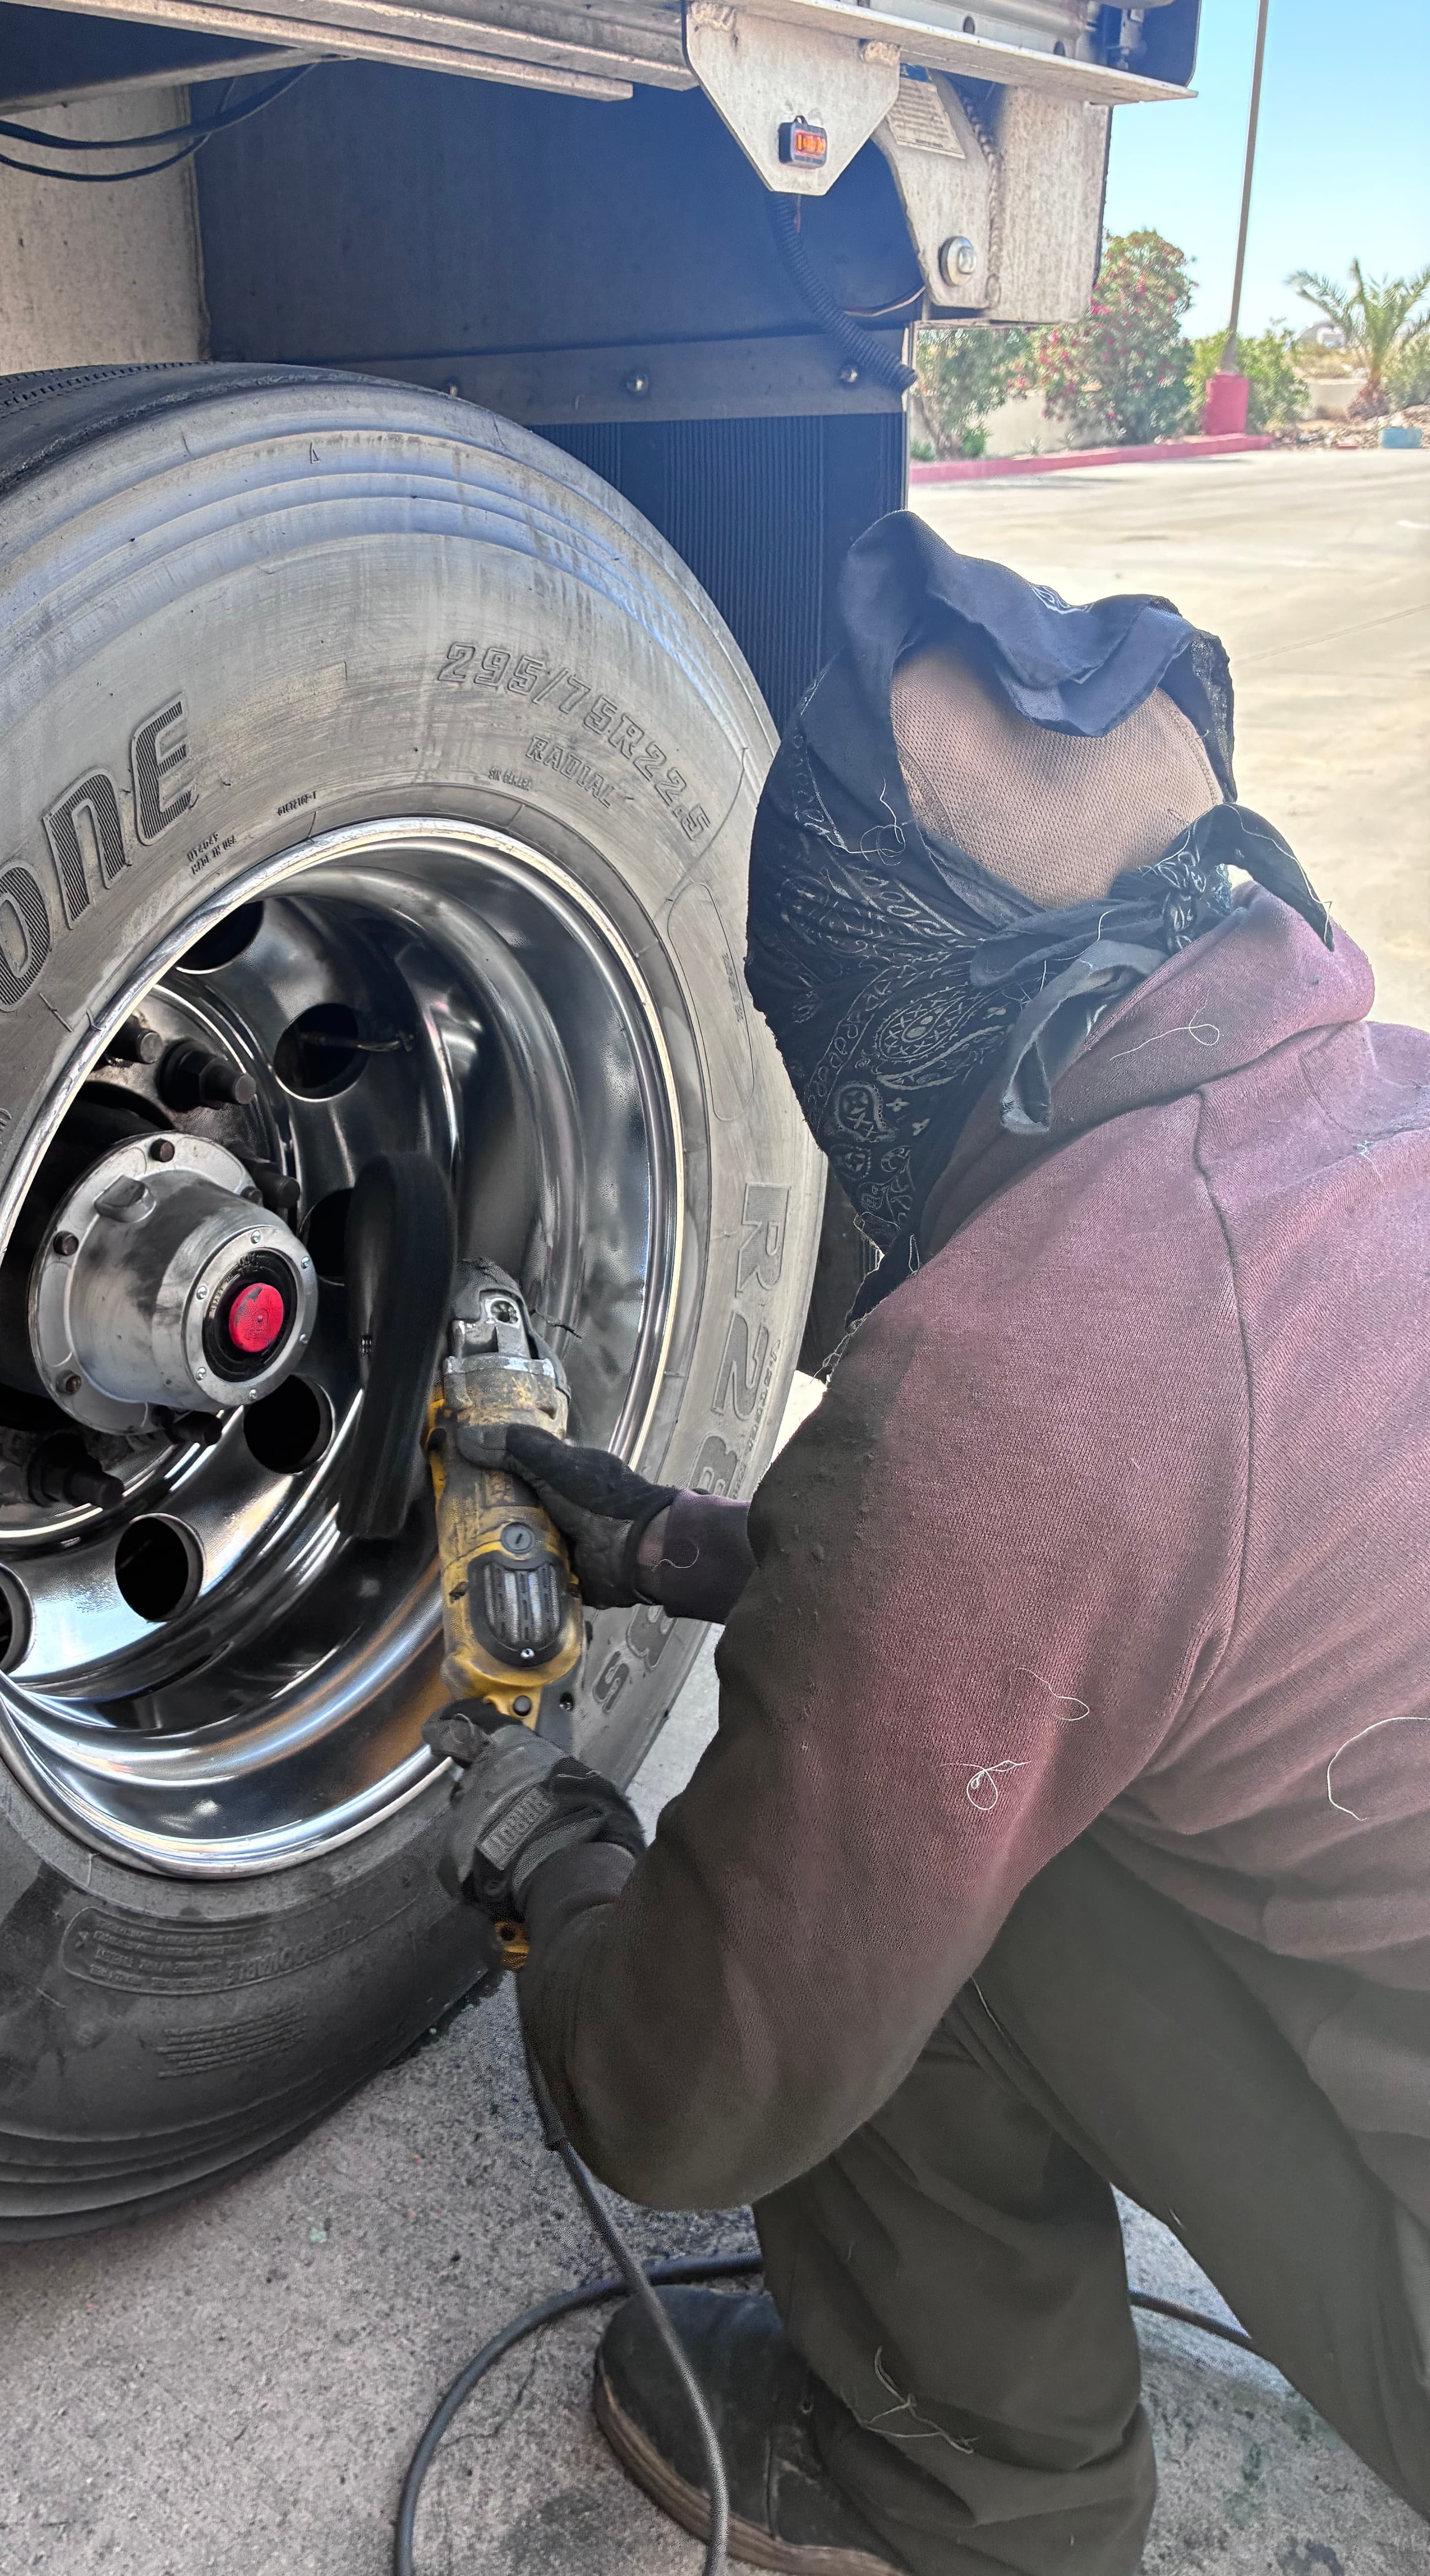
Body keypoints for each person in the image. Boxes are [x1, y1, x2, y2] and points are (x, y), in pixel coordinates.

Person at [426, 513, 1430, 2575]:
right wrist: (722, 1546)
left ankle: (967, 2493)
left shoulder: (1032, 1371)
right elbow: (1218, 1536)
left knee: (912, 1902)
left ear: (911, 999)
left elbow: (686, 2092)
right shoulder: (1363, 1107)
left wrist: (565, 1861)